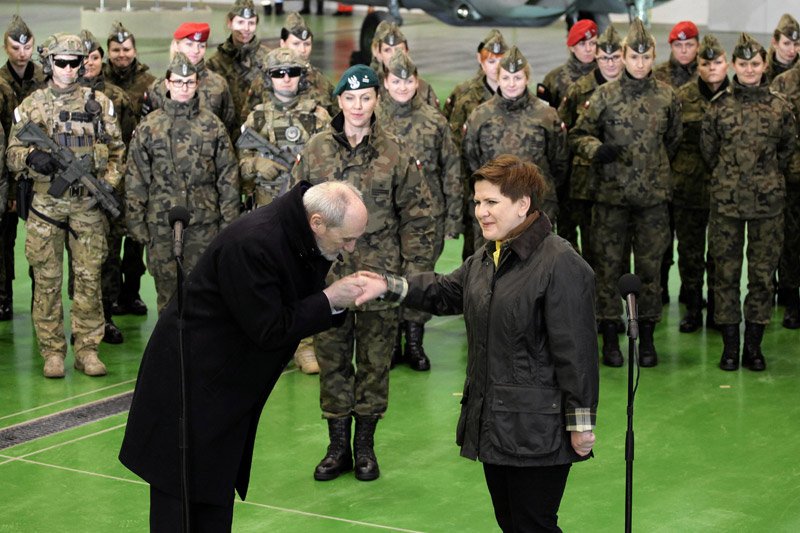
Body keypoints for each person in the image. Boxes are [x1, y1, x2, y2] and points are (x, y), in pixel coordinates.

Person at [356, 155, 599, 533]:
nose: (480, 212)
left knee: (533, 525)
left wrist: (581, 423)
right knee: (511, 523)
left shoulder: (560, 263)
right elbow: (444, 292)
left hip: (537, 429)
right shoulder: (489, 256)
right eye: (477, 202)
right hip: (495, 420)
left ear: (523, 204)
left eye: (491, 203)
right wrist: (388, 285)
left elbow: (577, 355)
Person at [119, 181, 372, 531]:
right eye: (346, 239)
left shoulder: (298, 236)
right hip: (188, 389)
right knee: (181, 508)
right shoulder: (255, 243)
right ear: (317, 222)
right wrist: (330, 300)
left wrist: (336, 301)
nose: (350, 248)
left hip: (221, 390)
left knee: (211, 500)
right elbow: (269, 328)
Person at [291, 65, 435, 482]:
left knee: (375, 365)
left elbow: (419, 216)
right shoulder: (316, 151)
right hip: (328, 279)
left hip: (379, 278)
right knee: (333, 361)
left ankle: (365, 447)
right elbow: (294, 213)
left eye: (366, 98)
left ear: (377, 101)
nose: (358, 106)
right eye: (350, 99)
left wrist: (412, 283)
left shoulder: (395, 152)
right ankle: (337, 447)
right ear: (338, 102)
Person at [6, 33, 125, 378]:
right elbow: (12, 155)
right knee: (46, 280)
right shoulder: (32, 104)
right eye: (62, 62)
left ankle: (87, 348)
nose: (70, 69)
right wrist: (32, 158)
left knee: (88, 279)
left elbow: (117, 151)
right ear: (49, 63)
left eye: (77, 62)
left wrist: (106, 184)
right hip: (46, 205)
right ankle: (52, 351)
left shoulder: (99, 103)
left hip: (87, 206)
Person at [569, 18, 682, 368]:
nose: (640, 63)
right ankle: (610, 339)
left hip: (651, 201)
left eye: (646, 57)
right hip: (611, 199)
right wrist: (595, 149)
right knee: (607, 269)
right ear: (623, 56)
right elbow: (578, 134)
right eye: (634, 56)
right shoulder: (605, 95)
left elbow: (673, 140)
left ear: (653, 57)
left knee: (649, 270)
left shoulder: (667, 96)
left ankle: (646, 340)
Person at [700, 33, 795, 371]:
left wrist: (763, 178)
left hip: (768, 205)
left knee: (761, 276)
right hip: (726, 204)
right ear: (734, 66)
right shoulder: (719, 107)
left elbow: (786, 151)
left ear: (764, 64)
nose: (750, 70)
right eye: (743, 64)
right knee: (725, 275)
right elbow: (708, 151)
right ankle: (729, 347)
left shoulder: (780, 108)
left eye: (755, 64)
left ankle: (753, 346)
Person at [238, 47, 331, 374]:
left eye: (292, 72)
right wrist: (255, 165)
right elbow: (239, 163)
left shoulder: (318, 116)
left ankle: (305, 346)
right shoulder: (257, 118)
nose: (286, 79)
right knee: (267, 277)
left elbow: (331, 159)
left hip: (308, 212)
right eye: (279, 73)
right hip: (268, 211)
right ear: (268, 78)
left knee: (308, 276)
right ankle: (269, 342)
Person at [125, 53, 240, 313]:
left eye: (189, 82)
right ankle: (171, 352)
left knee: (205, 294)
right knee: (168, 297)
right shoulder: (150, 126)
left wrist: (228, 225)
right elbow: (136, 179)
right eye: (178, 82)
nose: (183, 87)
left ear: (197, 84)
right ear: (167, 84)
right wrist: (137, 224)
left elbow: (228, 178)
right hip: (161, 225)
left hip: (204, 226)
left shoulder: (212, 126)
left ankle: (200, 351)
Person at [376, 49, 463, 371]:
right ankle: (389, 343)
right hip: (383, 216)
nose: (402, 87)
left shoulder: (433, 121)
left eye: (408, 81)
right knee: (386, 275)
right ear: (386, 82)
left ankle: (413, 342)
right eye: (396, 81)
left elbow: (451, 169)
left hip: (426, 217)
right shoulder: (374, 118)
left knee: (419, 276)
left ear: (416, 82)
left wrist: (454, 215)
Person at [463, 46, 568, 251]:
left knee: (535, 263)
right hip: (492, 208)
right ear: (498, 78)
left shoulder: (546, 115)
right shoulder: (480, 115)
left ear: (527, 79)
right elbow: (471, 159)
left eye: (518, 78)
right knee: (490, 264)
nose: (511, 84)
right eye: (506, 78)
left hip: (536, 206)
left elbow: (560, 162)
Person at [78, 29, 136, 345]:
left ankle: (106, 317)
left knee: (108, 255)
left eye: (95, 57)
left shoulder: (116, 99)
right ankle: (80, 319)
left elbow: (126, 147)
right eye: (83, 58)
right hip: (72, 196)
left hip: (109, 191)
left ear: (102, 61)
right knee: (78, 261)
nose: (89, 63)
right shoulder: (57, 95)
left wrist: (113, 184)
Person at [670, 35, 729, 334]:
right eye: (706, 63)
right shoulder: (681, 96)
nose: (712, 68)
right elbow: (670, 139)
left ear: (726, 63)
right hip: (689, 188)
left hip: (727, 190)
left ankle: (719, 311)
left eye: (717, 62)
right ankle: (693, 308)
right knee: (690, 253)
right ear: (698, 66)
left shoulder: (737, 96)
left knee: (721, 253)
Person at [558, 24, 625, 270]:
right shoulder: (579, 89)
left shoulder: (634, 89)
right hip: (584, 183)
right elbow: (564, 135)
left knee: (616, 250)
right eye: (604, 57)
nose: (610, 63)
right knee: (585, 247)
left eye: (616, 57)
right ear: (597, 57)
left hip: (623, 183)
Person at [102, 21, 154, 316]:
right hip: (110, 172)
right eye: (116, 49)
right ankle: (109, 295)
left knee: (136, 238)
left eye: (126, 49)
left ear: (135, 51)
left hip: (139, 172)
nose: (121, 54)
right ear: (108, 52)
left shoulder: (149, 82)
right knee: (109, 238)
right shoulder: (98, 80)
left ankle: (131, 292)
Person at [444, 29, 507, 260]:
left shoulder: (515, 91)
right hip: (474, 188)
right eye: (491, 61)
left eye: (502, 60)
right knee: (475, 253)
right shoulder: (464, 95)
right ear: (480, 61)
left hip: (508, 189)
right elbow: (454, 148)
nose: (497, 66)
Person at [538, 19, 597, 255]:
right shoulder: (555, 79)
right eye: (583, 44)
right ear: (572, 46)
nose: (589, 49)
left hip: (594, 171)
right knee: (566, 237)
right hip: (565, 170)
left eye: (593, 43)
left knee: (595, 235)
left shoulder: (605, 75)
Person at [0, 15, 45, 322]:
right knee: (4, 241)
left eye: (27, 46)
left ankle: (39, 300)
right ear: (6, 47)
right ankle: (3, 298)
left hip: (39, 172)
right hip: (6, 173)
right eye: (15, 46)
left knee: (40, 240)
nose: (22, 52)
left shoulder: (44, 79)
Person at [653, 20, 700, 305]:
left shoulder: (706, 77)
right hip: (660, 172)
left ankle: (691, 292)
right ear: (671, 47)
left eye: (690, 45)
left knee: (691, 240)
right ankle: (658, 290)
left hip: (694, 175)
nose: (684, 51)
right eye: (679, 45)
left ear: (697, 46)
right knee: (660, 239)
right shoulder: (658, 77)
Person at [144, 22, 237, 140]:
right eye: (189, 44)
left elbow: (229, 127)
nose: (196, 50)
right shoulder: (159, 86)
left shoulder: (218, 85)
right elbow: (147, 129)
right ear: (177, 45)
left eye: (201, 45)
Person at [243, 12, 336, 119]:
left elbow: (336, 121)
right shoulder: (264, 81)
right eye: (296, 44)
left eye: (307, 44)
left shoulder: (321, 81)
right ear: (283, 44)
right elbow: (247, 121)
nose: (302, 50)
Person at [771, 44, 800, 330]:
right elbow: (782, 138)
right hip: (792, 179)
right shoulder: (785, 82)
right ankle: (791, 300)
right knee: (790, 242)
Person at [207, 0, 271, 128]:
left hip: (261, 130)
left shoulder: (269, 59)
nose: (246, 29)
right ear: (230, 23)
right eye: (240, 22)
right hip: (227, 130)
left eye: (251, 23)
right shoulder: (215, 63)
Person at [369, 21, 440, 110]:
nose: (394, 55)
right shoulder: (370, 88)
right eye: (387, 50)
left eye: (399, 49)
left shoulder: (423, 89)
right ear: (379, 54)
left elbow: (436, 120)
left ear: (407, 51)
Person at [766, 13, 800, 82]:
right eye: (786, 44)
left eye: (796, 44)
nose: (792, 50)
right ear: (775, 43)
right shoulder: (761, 71)